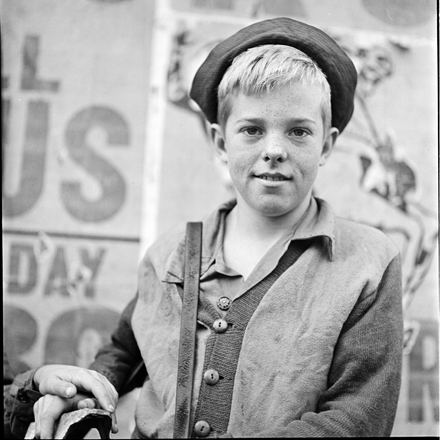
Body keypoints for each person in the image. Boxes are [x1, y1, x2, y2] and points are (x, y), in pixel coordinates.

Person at [4, 16, 403, 438]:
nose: (273, 151)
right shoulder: (171, 252)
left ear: (327, 145)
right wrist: (88, 389)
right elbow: (127, 349)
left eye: (299, 131)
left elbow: (357, 418)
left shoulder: (368, 264)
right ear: (219, 141)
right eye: (251, 130)